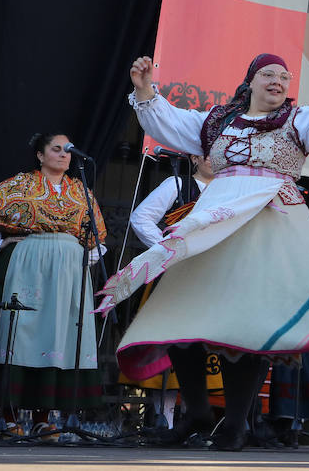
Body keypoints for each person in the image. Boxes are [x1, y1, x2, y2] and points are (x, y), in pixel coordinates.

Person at [97, 46, 309, 450]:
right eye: (269, 75)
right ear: (251, 80)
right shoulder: (218, 121)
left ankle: (236, 424)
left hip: (268, 224)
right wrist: (146, 90)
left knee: (247, 322)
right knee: (183, 318)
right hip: (217, 222)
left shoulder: (298, 120)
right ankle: (199, 413)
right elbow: (170, 124)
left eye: (284, 77)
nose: (277, 82)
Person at [0, 132, 107, 432]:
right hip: (29, 264)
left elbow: (99, 235)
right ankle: (7, 417)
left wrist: (88, 256)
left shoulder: (80, 190)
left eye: (68, 151)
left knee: (57, 335)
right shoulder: (19, 185)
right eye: (56, 149)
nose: (63, 155)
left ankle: (43, 419)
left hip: (68, 272)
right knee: (20, 333)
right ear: (40, 155)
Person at [123, 154, 218, 430]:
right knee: (169, 344)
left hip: (210, 276)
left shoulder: (230, 190)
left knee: (203, 347)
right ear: (194, 158)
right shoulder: (176, 185)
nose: (213, 159)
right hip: (174, 275)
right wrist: (170, 248)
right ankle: (163, 418)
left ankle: (194, 419)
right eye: (206, 153)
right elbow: (141, 218)